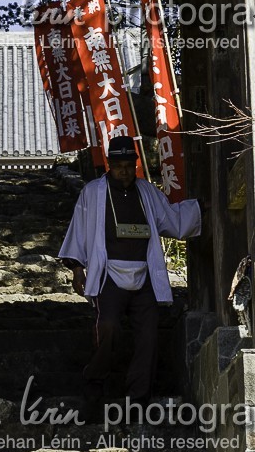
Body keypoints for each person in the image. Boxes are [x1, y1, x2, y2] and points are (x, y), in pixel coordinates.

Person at [58, 136, 201, 406]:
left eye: (128, 165)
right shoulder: (93, 192)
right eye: (118, 165)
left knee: (148, 335)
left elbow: (172, 219)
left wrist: (201, 208)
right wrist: (78, 269)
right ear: (109, 165)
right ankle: (94, 381)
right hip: (108, 273)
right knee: (108, 327)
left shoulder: (146, 191)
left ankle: (138, 398)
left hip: (144, 274)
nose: (124, 171)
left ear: (135, 164)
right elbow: (78, 230)